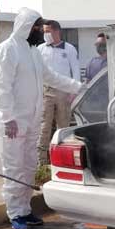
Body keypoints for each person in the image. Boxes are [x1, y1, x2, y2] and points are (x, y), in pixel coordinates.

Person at [0, 8, 82, 229]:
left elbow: (51, 77)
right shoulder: (8, 50)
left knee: (29, 166)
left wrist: (78, 87)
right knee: (14, 169)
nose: (42, 32)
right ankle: (15, 213)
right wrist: (7, 118)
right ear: (27, 27)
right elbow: (1, 86)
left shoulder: (33, 52)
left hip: (30, 120)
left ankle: (24, 209)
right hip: (11, 122)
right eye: (38, 28)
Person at [37, 19, 80, 165]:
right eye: (44, 31)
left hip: (64, 91)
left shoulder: (69, 49)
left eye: (47, 31)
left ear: (57, 31)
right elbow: (37, 72)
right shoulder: (40, 49)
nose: (45, 34)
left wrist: (74, 92)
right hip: (46, 91)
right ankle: (42, 162)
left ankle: (61, 161)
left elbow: (75, 70)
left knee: (63, 128)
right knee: (44, 127)